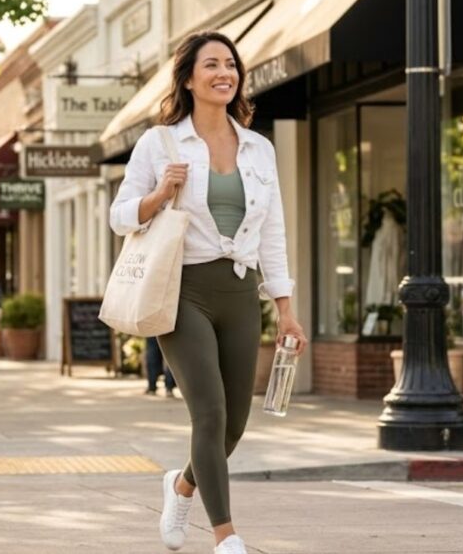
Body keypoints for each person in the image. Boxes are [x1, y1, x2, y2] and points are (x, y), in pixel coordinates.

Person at [109, 31, 307, 554]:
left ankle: (182, 486)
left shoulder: (259, 148)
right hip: (183, 290)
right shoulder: (161, 143)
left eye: (231, 65)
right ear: (189, 78)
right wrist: (158, 195)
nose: (224, 73)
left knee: (234, 424)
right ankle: (226, 538)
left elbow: (273, 234)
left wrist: (286, 311)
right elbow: (119, 215)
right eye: (212, 64)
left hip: (241, 292)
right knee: (210, 412)